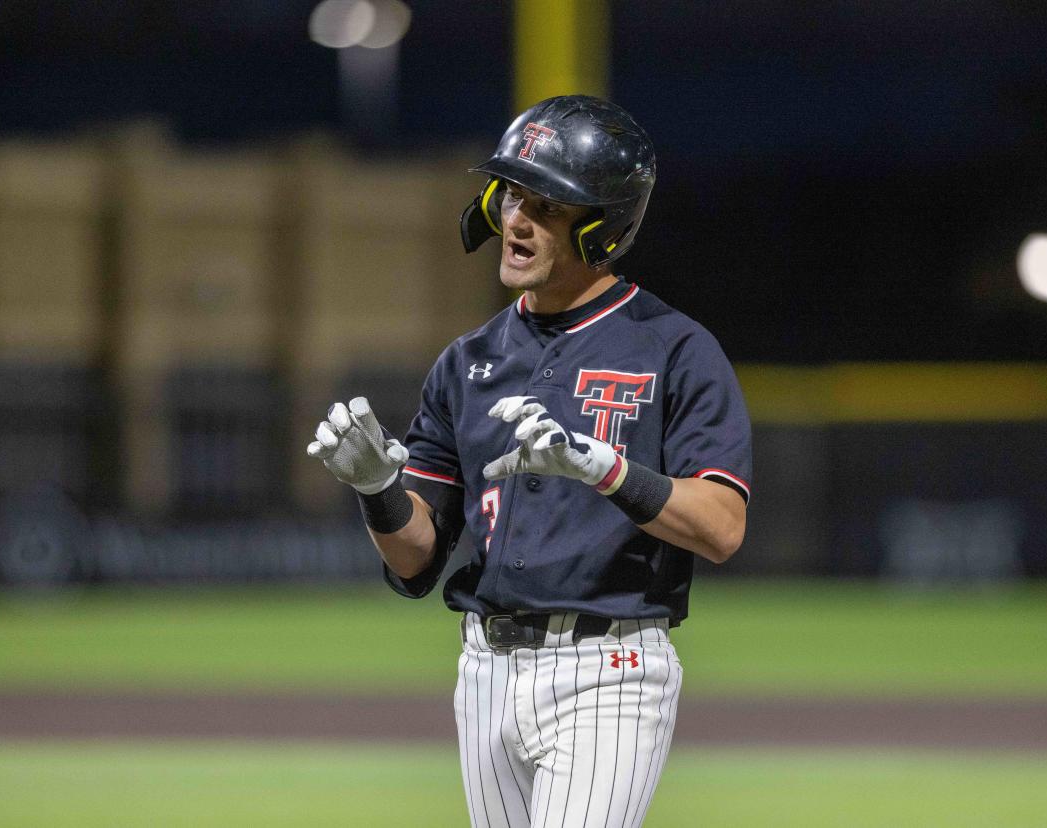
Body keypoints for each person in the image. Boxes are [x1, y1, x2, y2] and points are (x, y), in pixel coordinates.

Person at [307, 95, 751, 827]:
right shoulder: (466, 363)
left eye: (546, 206)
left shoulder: (674, 350)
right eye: (513, 193)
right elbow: (416, 559)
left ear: (602, 226)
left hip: (607, 671)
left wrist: (605, 470)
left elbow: (722, 525)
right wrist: (378, 490)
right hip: (483, 671)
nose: (515, 218)